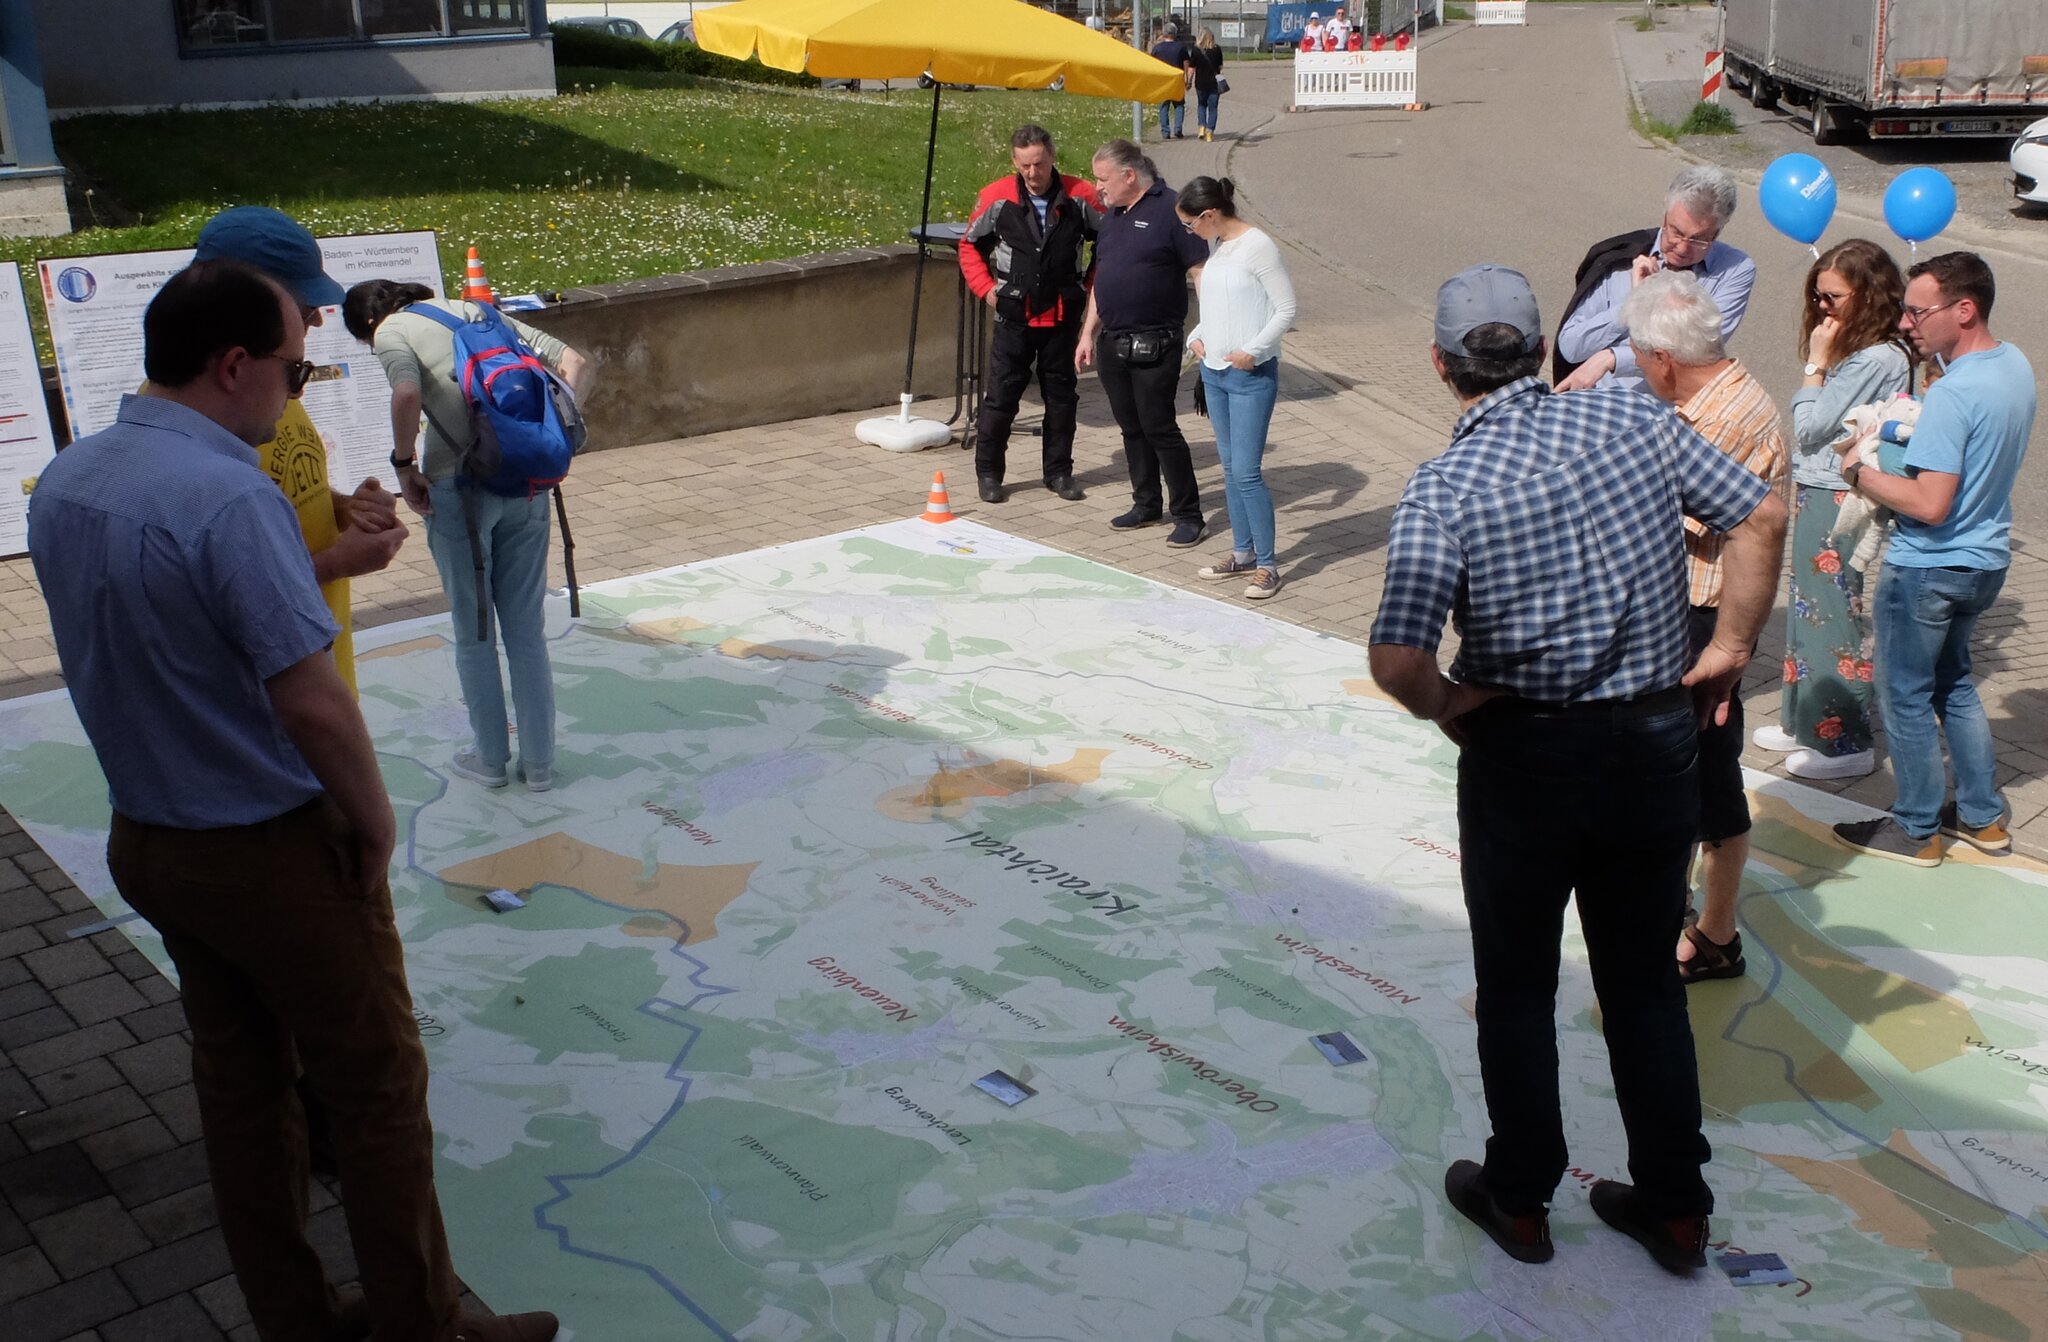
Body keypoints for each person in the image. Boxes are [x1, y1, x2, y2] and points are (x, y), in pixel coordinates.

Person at [26, 260, 557, 1342]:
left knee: (241, 1086)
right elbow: (311, 702)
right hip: (268, 846)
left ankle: (298, 1318)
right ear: (233, 368)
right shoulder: (227, 492)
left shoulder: (71, 478)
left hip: (152, 837)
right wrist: (372, 819)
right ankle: (421, 1326)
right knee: (374, 1090)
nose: (300, 384)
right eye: (293, 366)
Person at [1370, 264, 1785, 1274]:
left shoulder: (1445, 485)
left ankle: (1519, 1196)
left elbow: (1396, 657)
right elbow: (1760, 515)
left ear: (1440, 365)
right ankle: (1677, 1206)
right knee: (1642, 984)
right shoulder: (1632, 419)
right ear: (1539, 345)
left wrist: (1450, 706)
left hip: (1524, 757)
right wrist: (1728, 645)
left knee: (1514, 988)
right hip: (1649, 748)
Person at [343, 280, 592, 793]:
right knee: (526, 632)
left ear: (368, 325)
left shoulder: (392, 331)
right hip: (526, 482)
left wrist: (403, 464)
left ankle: (491, 759)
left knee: (475, 629)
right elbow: (577, 362)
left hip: (456, 488)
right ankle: (540, 765)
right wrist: (557, 433)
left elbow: (407, 392)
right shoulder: (479, 313)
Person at [1832, 252, 2036, 866]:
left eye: (1918, 311)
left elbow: (1929, 503)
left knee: (1906, 696)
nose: (1905, 323)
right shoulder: (2015, 365)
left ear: (1964, 310)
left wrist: (1860, 473)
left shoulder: (1956, 396)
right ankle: (1981, 817)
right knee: (1956, 685)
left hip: (1929, 567)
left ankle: (1917, 828)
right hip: (1985, 561)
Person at [1622, 271, 1787, 985]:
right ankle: (1701, 922)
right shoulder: (1712, 399)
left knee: (1698, 780)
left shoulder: (1718, 422)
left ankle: (1710, 933)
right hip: (1695, 620)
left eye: (1636, 356)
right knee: (1692, 778)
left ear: (1664, 359)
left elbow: (1665, 518)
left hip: (1700, 627)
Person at [191, 206, 407, 694]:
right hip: (279, 708)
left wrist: (343, 508)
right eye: (300, 299)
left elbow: (288, 486)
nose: (315, 316)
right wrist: (338, 562)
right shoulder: (199, 432)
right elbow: (226, 604)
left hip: (324, 673)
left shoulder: (270, 384)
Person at [1750, 239, 1913, 782]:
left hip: (1840, 494)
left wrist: (1815, 368)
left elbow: (1810, 428)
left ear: (1868, 295)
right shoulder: (1864, 351)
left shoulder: (1873, 358)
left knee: (1831, 611)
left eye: (1833, 297)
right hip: (1821, 486)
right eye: (1817, 296)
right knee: (1805, 607)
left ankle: (1844, 741)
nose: (1822, 307)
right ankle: (1805, 721)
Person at [959, 124, 1104, 505]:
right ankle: (989, 473)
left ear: (1053, 157)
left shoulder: (1080, 195)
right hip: (1013, 317)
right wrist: (986, 289)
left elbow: (1108, 244)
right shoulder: (995, 197)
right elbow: (969, 246)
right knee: (1001, 400)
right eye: (1024, 165)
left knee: (1062, 399)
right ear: (1014, 162)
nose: (1032, 173)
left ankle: (1058, 472)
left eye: (1039, 163)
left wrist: (1089, 287)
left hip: (1061, 318)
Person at [1077, 141, 1210, 547]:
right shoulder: (1113, 216)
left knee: (1159, 428)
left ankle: (1189, 514)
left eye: (1103, 179)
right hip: (1113, 343)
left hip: (1157, 342)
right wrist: (1087, 332)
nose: (1098, 188)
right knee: (1131, 428)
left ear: (1129, 176)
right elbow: (1103, 277)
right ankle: (1146, 502)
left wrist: (1208, 327)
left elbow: (1201, 270)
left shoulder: (1172, 210)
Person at [1179, 176, 1296, 600]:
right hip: (1214, 372)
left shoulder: (1258, 246)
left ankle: (1268, 565)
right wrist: (1196, 334)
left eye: (1191, 224)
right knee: (1230, 469)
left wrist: (1254, 349)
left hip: (1250, 375)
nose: (1189, 233)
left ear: (1210, 215)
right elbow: (1218, 305)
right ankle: (1242, 553)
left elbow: (1285, 308)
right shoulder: (1217, 246)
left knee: (1247, 472)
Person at [1554, 165, 1757, 394]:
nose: (1681, 248)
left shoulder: (1735, 270)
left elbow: (1695, 352)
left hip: (1664, 413)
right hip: (1596, 400)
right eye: (1676, 232)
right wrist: (1631, 306)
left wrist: (1611, 358)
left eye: (1698, 240)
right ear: (1665, 217)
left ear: (1717, 233)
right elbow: (1570, 347)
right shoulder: (1623, 256)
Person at [1149, 22, 1193, 140]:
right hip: (1177, 80)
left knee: (1164, 106)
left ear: (1163, 34)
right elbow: (1186, 63)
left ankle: (1165, 131)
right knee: (1179, 105)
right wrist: (1187, 79)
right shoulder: (1181, 48)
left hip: (1163, 80)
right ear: (1175, 34)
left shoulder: (1157, 48)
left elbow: (1152, 64)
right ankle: (1178, 129)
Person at [1189, 28, 1225, 143]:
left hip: (1200, 83)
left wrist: (1188, 81)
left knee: (1201, 105)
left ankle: (1201, 128)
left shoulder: (1196, 50)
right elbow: (1220, 66)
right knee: (1213, 108)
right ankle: (1209, 133)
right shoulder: (1217, 49)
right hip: (1214, 84)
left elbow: (1191, 68)